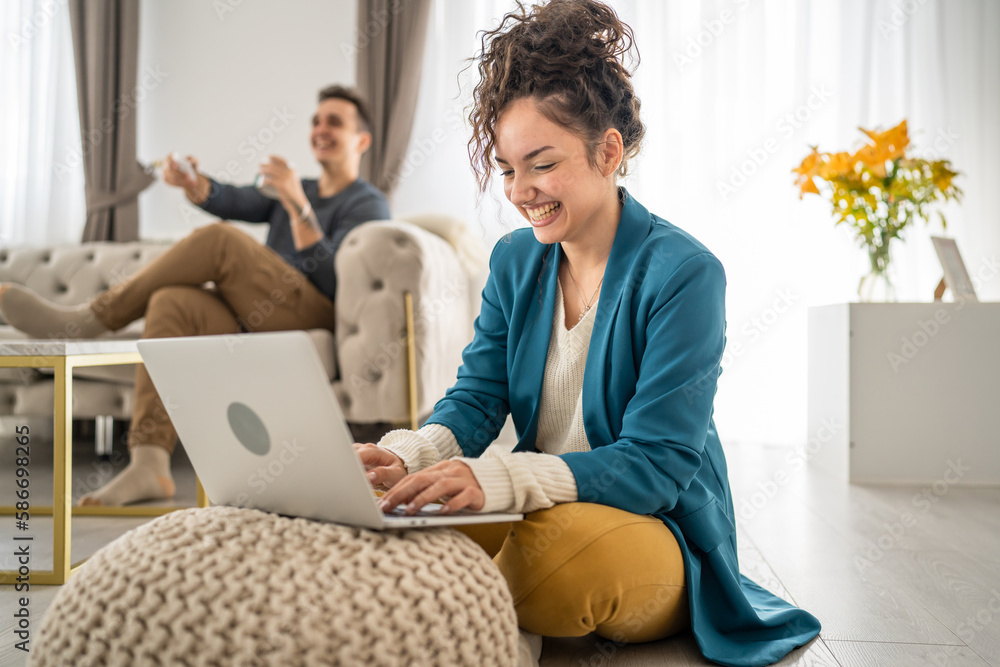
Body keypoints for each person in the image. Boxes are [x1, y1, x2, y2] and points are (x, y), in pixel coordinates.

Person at [354, 2, 821, 665]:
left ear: (608, 151)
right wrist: (409, 454)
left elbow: (656, 466)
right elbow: (479, 397)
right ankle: (484, 614)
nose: (520, 190)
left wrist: (504, 480)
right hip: (541, 504)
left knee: (548, 571)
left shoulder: (685, 274)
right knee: (399, 521)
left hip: (653, 523)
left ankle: (485, 618)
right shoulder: (516, 260)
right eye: (508, 167)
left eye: (540, 163)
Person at [0, 84, 390, 507]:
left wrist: (298, 205)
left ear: (362, 140)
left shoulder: (367, 204)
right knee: (171, 300)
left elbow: (337, 282)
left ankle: (90, 318)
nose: (321, 129)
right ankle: (149, 464)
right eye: (316, 120)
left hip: (309, 313)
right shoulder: (299, 187)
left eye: (335, 121)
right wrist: (194, 183)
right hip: (255, 312)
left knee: (220, 241)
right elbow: (233, 199)